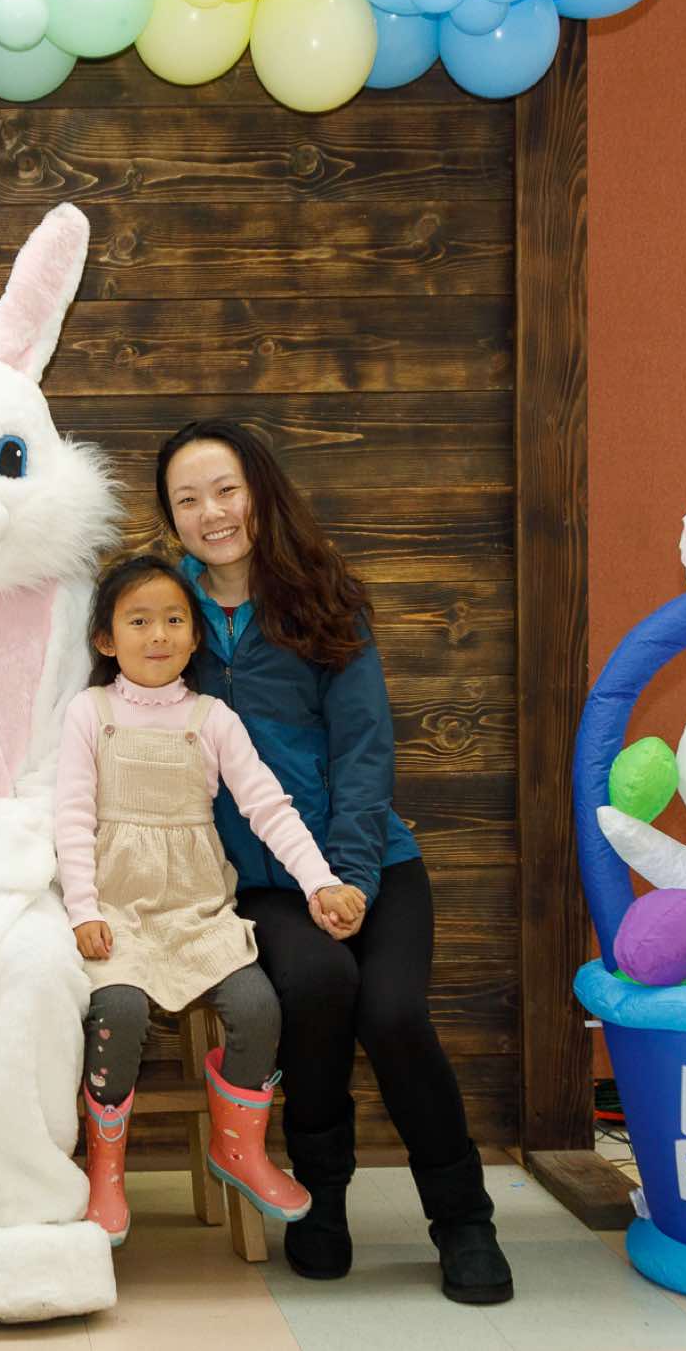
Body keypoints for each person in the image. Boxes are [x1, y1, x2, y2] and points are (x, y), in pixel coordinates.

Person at [152, 420, 513, 1303]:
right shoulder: (165, 614)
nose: (212, 513)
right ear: (170, 517)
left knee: (392, 1013)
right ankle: (324, 1199)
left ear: (260, 491)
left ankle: (463, 1219)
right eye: (188, 499)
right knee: (316, 986)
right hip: (262, 880)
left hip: (370, 861)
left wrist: (347, 877)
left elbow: (363, 748)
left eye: (226, 490)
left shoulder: (322, 600)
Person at [55, 554, 368, 1247]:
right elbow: (71, 818)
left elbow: (269, 807)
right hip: (118, 914)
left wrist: (320, 881)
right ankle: (105, 1167)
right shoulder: (90, 712)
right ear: (106, 638)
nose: (158, 634)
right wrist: (84, 910)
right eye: (139, 621)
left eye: (174, 619)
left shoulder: (212, 718)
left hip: (199, 912)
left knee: (257, 1006)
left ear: (195, 636)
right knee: (118, 1011)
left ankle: (239, 1148)